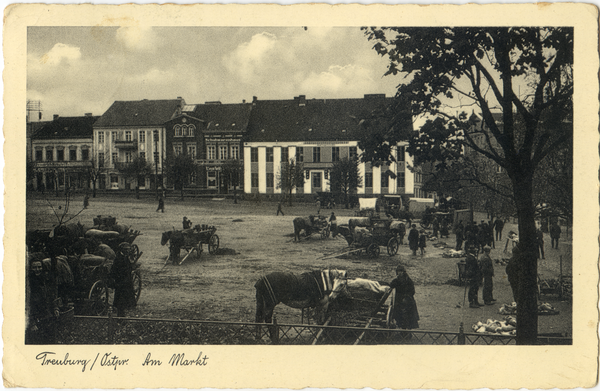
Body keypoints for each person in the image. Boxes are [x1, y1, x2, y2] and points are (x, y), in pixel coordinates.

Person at [26, 256, 59, 344]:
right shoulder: (29, 284)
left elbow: (51, 296)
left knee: (50, 341)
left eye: (39, 267)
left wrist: (55, 308)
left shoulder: (45, 280)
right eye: (34, 267)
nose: (37, 269)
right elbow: (28, 304)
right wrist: (32, 323)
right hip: (36, 319)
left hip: (48, 316)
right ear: (30, 268)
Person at [110, 243, 137, 317]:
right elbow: (116, 270)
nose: (128, 251)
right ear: (123, 250)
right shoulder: (119, 258)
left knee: (124, 300)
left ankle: (123, 314)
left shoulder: (124, 257)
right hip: (122, 283)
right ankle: (121, 316)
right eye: (126, 249)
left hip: (125, 282)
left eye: (128, 249)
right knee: (121, 301)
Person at [388, 265, 419, 329]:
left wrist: (406, 297)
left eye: (401, 271)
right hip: (399, 301)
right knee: (400, 316)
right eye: (398, 272)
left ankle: (407, 331)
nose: (399, 273)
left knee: (408, 316)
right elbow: (391, 285)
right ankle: (402, 329)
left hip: (407, 301)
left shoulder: (408, 281)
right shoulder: (396, 280)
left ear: (403, 272)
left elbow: (412, 291)